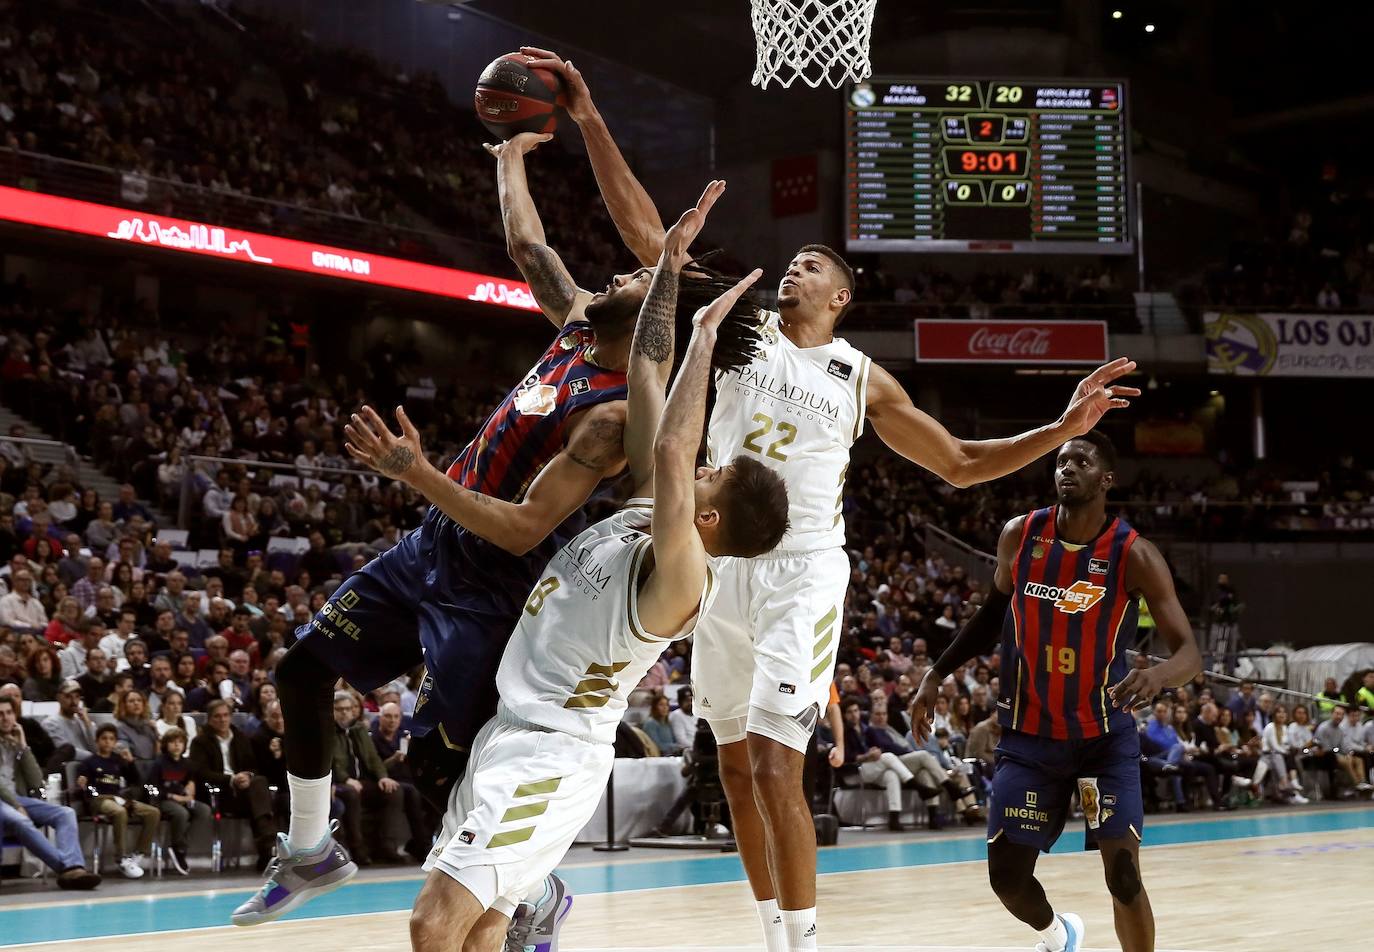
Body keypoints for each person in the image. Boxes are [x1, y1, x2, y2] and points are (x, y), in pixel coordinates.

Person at [236, 148, 758, 935]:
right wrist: (508, 157)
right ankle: (310, 848)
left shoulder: (613, 420)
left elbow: (522, 527)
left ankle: (534, 889)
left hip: (492, 580)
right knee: (301, 672)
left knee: (436, 768)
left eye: (632, 280)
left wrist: (415, 472)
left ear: (656, 310)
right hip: (433, 543)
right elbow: (527, 247)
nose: (613, 277)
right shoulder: (579, 327)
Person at [661, 176, 1143, 952]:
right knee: (738, 771)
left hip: (803, 568)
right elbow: (654, 251)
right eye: (790, 262)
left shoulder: (858, 376)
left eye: (812, 266)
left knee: (781, 766)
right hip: (721, 563)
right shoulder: (742, 331)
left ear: (841, 298)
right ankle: (771, 934)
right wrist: (585, 117)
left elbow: (956, 462)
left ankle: (805, 944)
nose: (794, 271)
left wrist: (1059, 429)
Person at [406, 196, 788, 952]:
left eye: (714, 478)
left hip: (551, 753)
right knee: (481, 928)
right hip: (508, 733)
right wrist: (670, 279)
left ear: (709, 520)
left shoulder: (683, 576)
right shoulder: (648, 510)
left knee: (433, 922)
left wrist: (705, 335)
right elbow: (646, 368)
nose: (702, 468)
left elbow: (678, 450)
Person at [910, 431, 1201, 952]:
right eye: (1062, 460)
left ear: (1106, 479)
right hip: (1031, 739)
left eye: (1081, 461)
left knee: (1123, 877)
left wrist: (1157, 676)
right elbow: (990, 617)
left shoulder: (1135, 555)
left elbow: (1189, 654)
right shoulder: (1020, 536)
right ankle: (1058, 935)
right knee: (1007, 878)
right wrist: (937, 673)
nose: (1067, 468)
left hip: (1102, 739)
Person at [0, 700, 101, 889]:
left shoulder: (14, 743)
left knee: (65, 813)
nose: (5, 718)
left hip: (15, 798)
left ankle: (71, 866)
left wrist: (23, 747)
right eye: (1, 714)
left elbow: (36, 781)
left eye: (9, 713)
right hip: (5, 801)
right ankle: (68, 869)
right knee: (21, 820)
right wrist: (16, 805)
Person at [189, 699, 278, 869]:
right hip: (219, 793)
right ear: (209, 719)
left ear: (231, 717)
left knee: (259, 782)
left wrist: (247, 776)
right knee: (259, 797)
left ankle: (267, 851)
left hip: (245, 791)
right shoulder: (200, 742)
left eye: (225, 715)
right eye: (217, 716)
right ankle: (268, 848)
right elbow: (201, 773)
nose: (222, 720)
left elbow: (253, 766)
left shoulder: (241, 737)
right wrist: (231, 780)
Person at [76, 724, 161, 879]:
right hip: (99, 800)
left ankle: (138, 855)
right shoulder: (89, 762)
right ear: (97, 741)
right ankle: (121, 858)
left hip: (118, 799)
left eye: (111, 739)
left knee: (153, 812)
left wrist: (130, 763)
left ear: (115, 742)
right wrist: (82, 784)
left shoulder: (118, 760)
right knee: (119, 811)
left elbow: (135, 780)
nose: (108, 742)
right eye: (104, 739)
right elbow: (84, 786)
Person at [148, 727, 211, 874]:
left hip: (182, 798)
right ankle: (178, 849)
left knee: (204, 810)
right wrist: (172, 796)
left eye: (180, 742)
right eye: (172, 742)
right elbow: (151, 787)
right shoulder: (159, 764)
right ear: (165, 745)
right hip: (163, 800)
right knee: (181, 813)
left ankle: (182, 842)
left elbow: (191, 781)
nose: (176, 745)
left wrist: (191, 789)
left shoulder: (187, 763)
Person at [669, 688, 698, 753]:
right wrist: (698, 748)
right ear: (680, 702)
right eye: (687, 701)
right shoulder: (677, 715)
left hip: (699, 748)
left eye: (691, 700)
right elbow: (681, 740)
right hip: (687, 751)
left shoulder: (697, 714)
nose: (690, 703)